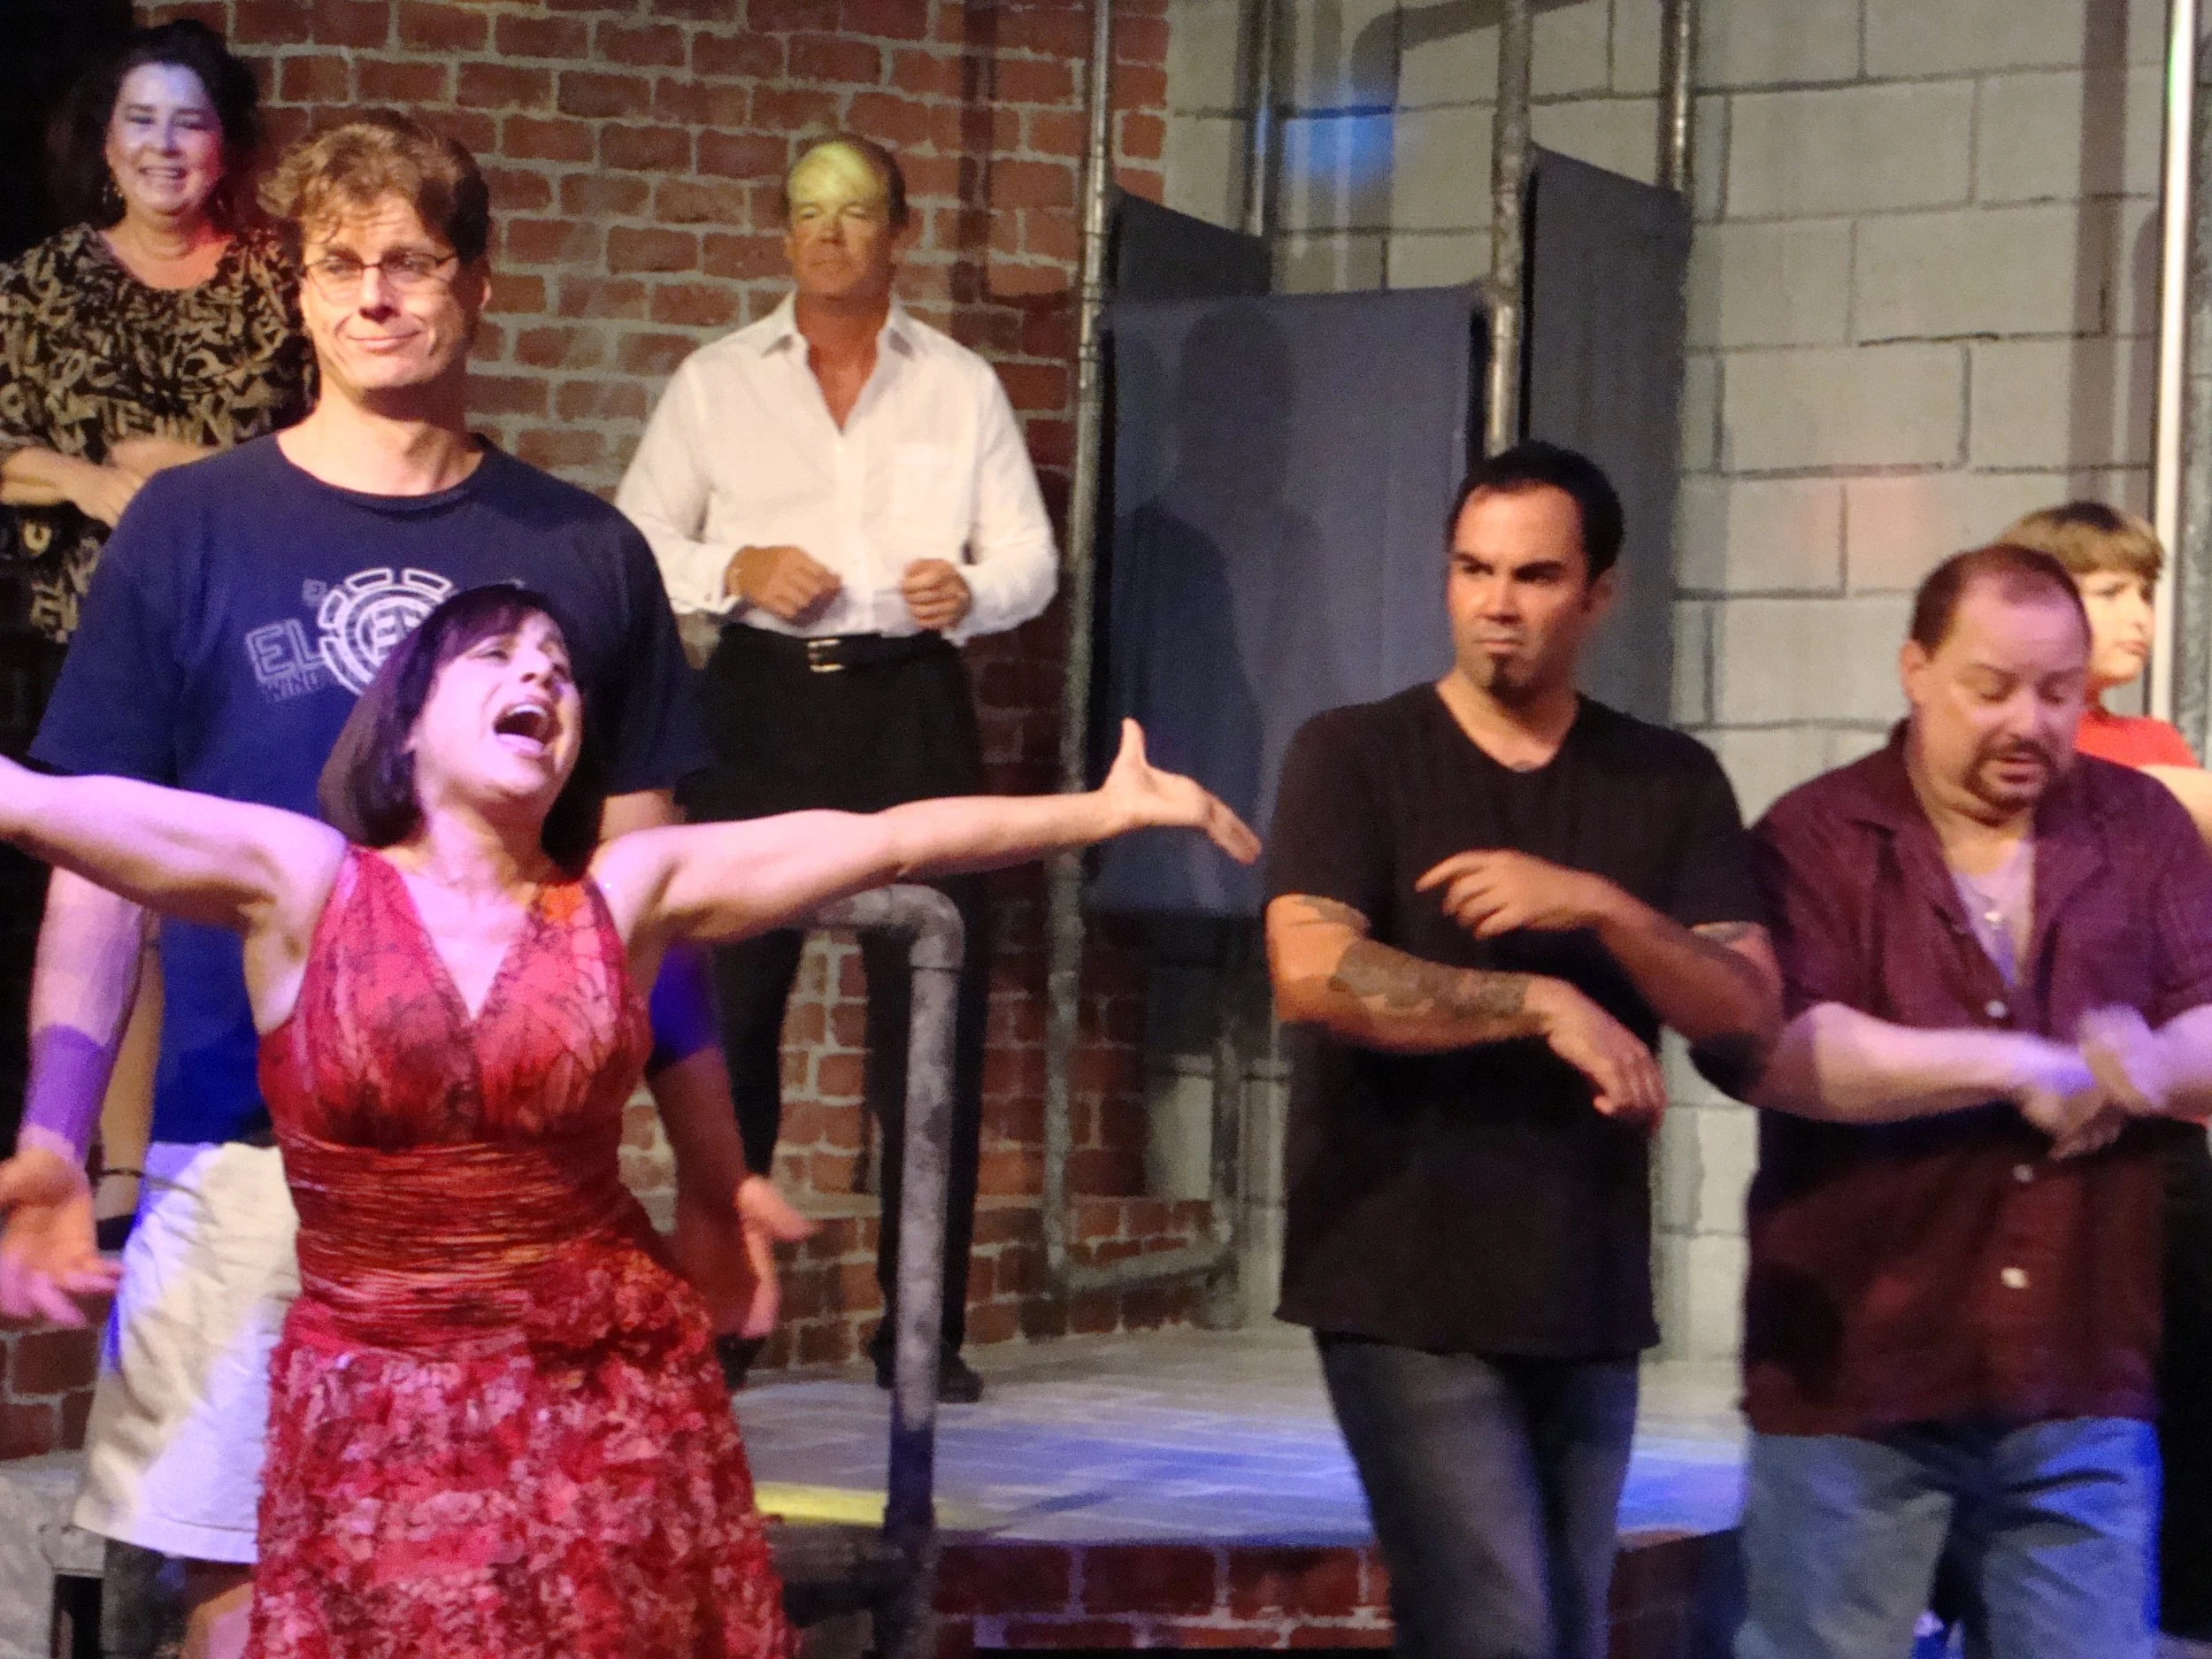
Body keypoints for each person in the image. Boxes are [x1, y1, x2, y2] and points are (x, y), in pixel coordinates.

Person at [0, 581, 1257, 1655]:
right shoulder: (306, 882)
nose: (539, 677)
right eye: (497, 656)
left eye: (559, 668)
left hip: (597, 1390)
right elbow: (47, 807)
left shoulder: (626, 889)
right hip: (377, 1395)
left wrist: (1100, 811)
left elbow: (885, 840)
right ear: (406, 717)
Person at [0, 111, 785, 1659]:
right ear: (297, 290)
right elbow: (97, 871)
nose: (373, 295)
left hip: (521, 1205)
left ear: (478, 284)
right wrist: (50, 1130)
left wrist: (713, 1167)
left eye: (412, 262)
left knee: (539, 1600)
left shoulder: (584, 549)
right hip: (242, 1143)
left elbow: (650, 905)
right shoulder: (192, 526)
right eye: (339, 263)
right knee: (247, 1587)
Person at [1263, 441, 1781, 1659]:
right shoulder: (1354, 752)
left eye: (1534, 576)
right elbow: (1311, 968)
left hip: (1582, 1284)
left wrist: (1602, 909)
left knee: (1562, 1631)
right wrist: (1538, 1000)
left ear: (1599, 593)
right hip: (1401, 1278)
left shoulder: (1667, 779)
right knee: (1494, 1625)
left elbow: (1748, 1008)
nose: (1496, 603)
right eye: (1473, 569)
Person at [617, 133, 1057, 1401]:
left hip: (908, 699)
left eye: (856, 211)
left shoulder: (959, 382)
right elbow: (637, 535)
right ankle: (727, 1315)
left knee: (932, 1009)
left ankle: (922, 1329)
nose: (829, 233)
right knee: (733, 1012)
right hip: (760, 699)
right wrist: (734, 566)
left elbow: (1030, 562)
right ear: (782, 233)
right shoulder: (717, 381)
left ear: (900, 232)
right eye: (808, 211)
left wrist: (971, 591)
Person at [1737, 543, 2212, 1659]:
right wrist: (2020, 1066)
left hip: (2079, 1370)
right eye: (1990, 689)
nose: (2027, 723)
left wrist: (2144, 1063)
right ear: (1915, 668)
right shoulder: (1817, 833)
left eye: (2056, 693)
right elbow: (1781, 1051)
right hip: (1860, 1373)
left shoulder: (2139, 824)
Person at [0, 19, 310, 1172]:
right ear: (105, 140)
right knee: (109, 892)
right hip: (90, 628)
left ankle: (240, 1153)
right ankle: (119, 1171)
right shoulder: (36, 283)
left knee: (234, 887)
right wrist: (89, 478)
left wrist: (181, 469)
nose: (164, 146)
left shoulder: (283, 282)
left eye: (190, 122)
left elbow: (327, 442)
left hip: (252, 625)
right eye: (141, 120)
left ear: (225, 146)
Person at [1993, 502, 2212, 1656]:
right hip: (2038, 1120)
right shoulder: (2035, 748)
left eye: (2144, 591)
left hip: (2158, 1119)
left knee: (2183, 1372)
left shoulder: (2155, 740)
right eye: (2109, 590)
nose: (2137, 613)